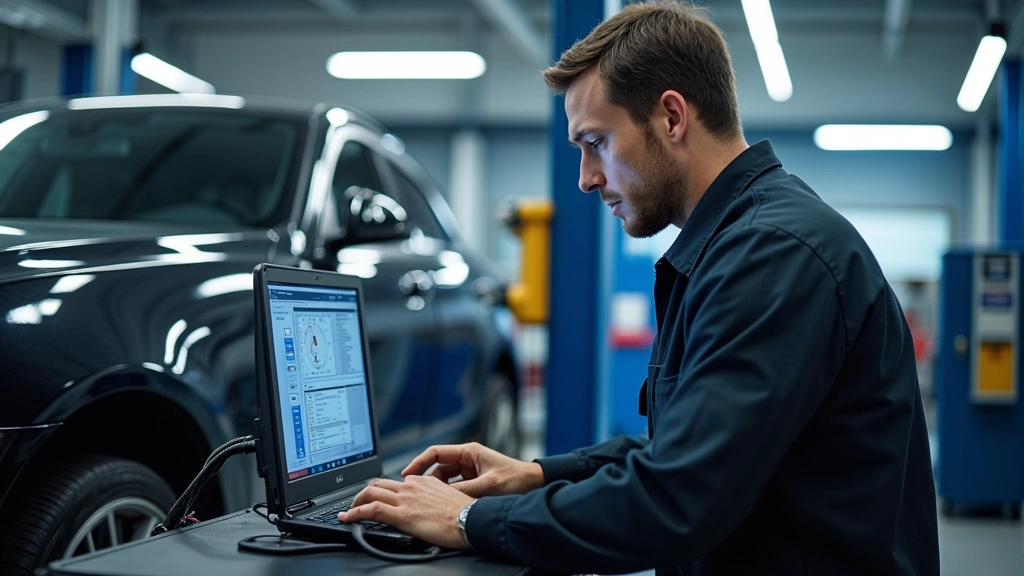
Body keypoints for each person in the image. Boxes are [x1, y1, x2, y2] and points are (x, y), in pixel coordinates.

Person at [339, 1, 940, 574]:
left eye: (596, 142)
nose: (584, 178)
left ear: (672, 117)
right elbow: (691, 451)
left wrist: (470, 518)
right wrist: (538, 475)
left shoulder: (772, 255)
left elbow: (678, 499)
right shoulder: (741, 245)